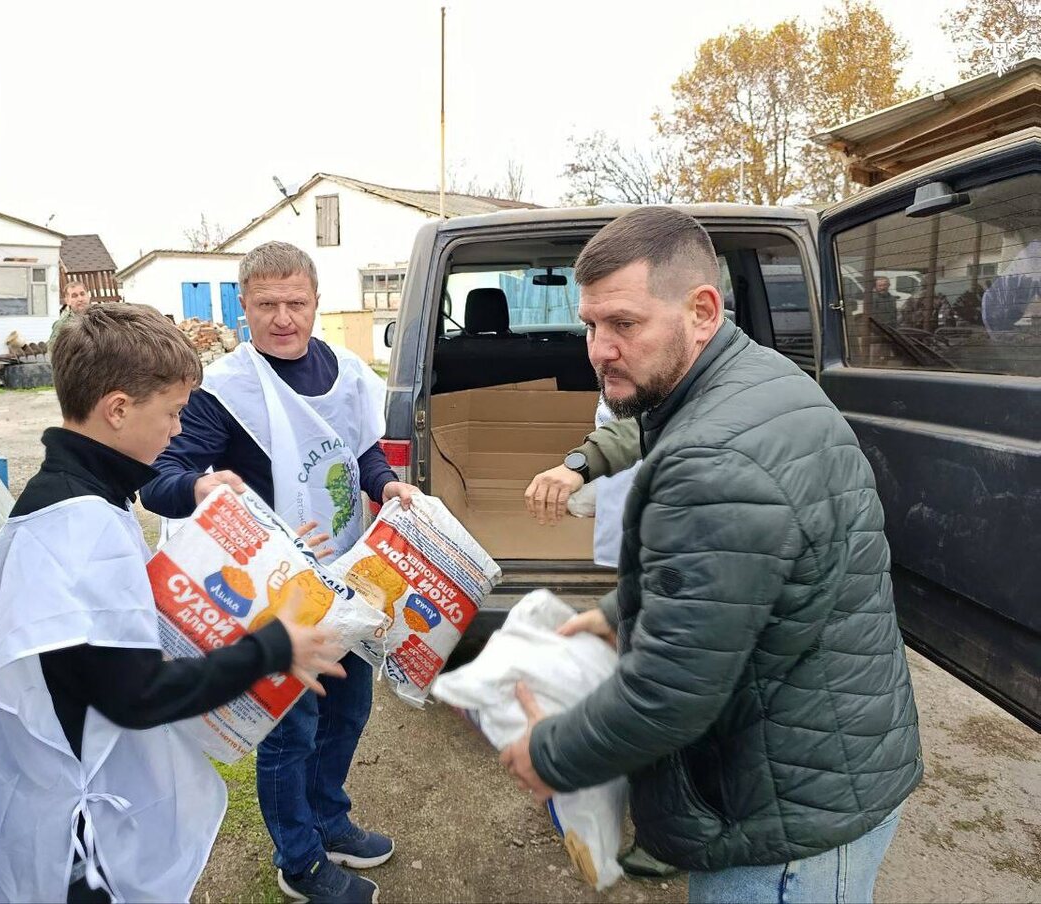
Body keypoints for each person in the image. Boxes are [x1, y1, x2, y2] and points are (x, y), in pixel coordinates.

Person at [501, 207, 923, 904]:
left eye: (625, 325)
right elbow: (740, 574)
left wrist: (548, 754)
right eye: (591, 326)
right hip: (826, 769)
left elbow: (669, 695)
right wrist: (620, 609)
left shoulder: (713, 458)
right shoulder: (759, 380)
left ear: (701, 310)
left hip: (784, 828)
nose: (600, 349)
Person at [0, 303, 346, 904]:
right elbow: (139, 695)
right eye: (172, 413)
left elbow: (120, 624)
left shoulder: (64, 494)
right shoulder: (83, 525)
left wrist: (271, 559)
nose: (178, 431)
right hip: (61, 834)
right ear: (117, 410)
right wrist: (275, 645)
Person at [140, 241, 416, 904]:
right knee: (290, 729)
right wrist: (202, 487)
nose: (283, 317)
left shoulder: (347, 373)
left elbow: (363, 451)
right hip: (271, 594)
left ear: (316, 302)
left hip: (345, 579)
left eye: (296, 302)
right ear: (245, 306)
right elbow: (159, 481)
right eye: (267, 304)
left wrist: (388, 485)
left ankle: (330, 820)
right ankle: (299, 860)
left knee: (347, 708)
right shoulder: (223, 391)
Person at [49, 280, 92, 345]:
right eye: (74, 296)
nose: (80, 299)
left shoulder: (101, 318)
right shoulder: (62, 325)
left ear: (88, 297)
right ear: (67, 301)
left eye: (82, 294)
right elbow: (53, 349)